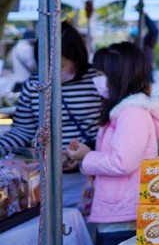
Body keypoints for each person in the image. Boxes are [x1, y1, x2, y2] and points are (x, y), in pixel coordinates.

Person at [67, 42, 159, 245]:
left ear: (117, 75)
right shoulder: (125, 111)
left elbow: (122, 162)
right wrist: (86, 155)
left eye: (101, 73)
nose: (97, 79)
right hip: (118, 211)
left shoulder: (132, 113)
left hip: (124, 215)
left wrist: (87, 157)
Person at [0, 21, 103, 162]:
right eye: (48, 66)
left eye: (61, 66)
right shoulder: (34, 85)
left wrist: (89, 151)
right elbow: (22, 130)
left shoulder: (98, 79)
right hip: (47, 171)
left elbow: (110, 126)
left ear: (76, 58)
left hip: (90, 169)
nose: (54, 72)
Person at [8, 27, 38, 91]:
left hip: (17, 80)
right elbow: (33, 65)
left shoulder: (15, 47)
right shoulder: (28, 48)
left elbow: (10, 62)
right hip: (26, 81)